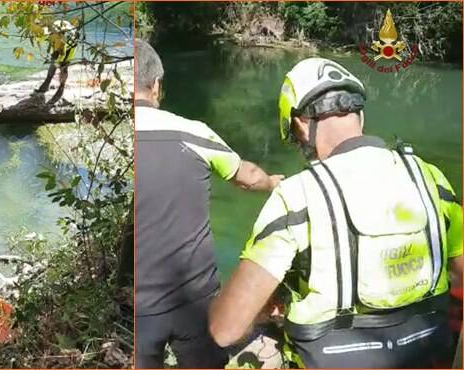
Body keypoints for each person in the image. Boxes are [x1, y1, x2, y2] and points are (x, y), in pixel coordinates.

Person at [209, 57, 463, 368]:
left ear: (301, 124)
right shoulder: (430, 178)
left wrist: (275, 306)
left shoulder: (296, 195)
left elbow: (225, 329)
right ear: (360, 115)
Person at [134, 39, 283, 369]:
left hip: (137, 307)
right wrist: (273, 182)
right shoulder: (194, 133)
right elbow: (248, 176)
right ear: (156, 85)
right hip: (195, 300)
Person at [35, 20, 77, 104]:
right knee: (53, 60)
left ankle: (61, 87)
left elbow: (61, 54)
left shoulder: (60, 38)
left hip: (70, 45)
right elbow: (39, 40)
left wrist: (56, 60)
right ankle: (47, 82)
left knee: (63, 66)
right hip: (59, 38)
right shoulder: (48, 30)